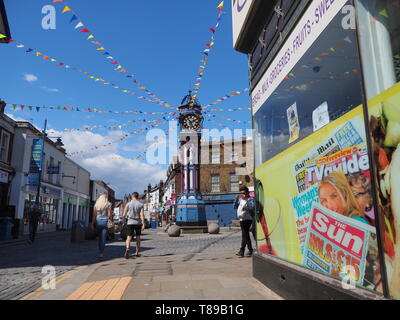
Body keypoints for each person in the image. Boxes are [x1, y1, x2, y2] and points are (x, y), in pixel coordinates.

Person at [234, 186, 255, 258]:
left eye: (243, 192)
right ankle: (250, 250)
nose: (242, 194)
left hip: (248, 219)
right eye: (241, 193)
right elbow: (235, 206)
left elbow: (252, 208)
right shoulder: (240, 199)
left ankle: (242, 251)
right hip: (241, 219)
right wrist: (236, 200)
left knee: (244, 235)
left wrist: (247, 203)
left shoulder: (251, 199)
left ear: (246, 192)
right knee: (246, 235)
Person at [123, 192, 145, 259]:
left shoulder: (128, 204)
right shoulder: (140, 204)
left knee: (129, 237)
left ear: (132, 196)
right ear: (137, 197)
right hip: (138, 223)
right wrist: (143, 223)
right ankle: (137, 252)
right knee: (138, 237)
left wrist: (124, 222)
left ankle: (127, 249)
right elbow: (142, 215)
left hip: (130, 222)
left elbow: (124, 214)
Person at [91, 194, 112, 259]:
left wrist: (92, 223)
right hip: (105, 221)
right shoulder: (108, 204)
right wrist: (110, 219)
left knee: (100, 237)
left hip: (98, 221)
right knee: (103, 238)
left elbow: (94, 216)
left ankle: (100, 251)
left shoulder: (96, 205)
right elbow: (109, 214)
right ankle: (101, 253)